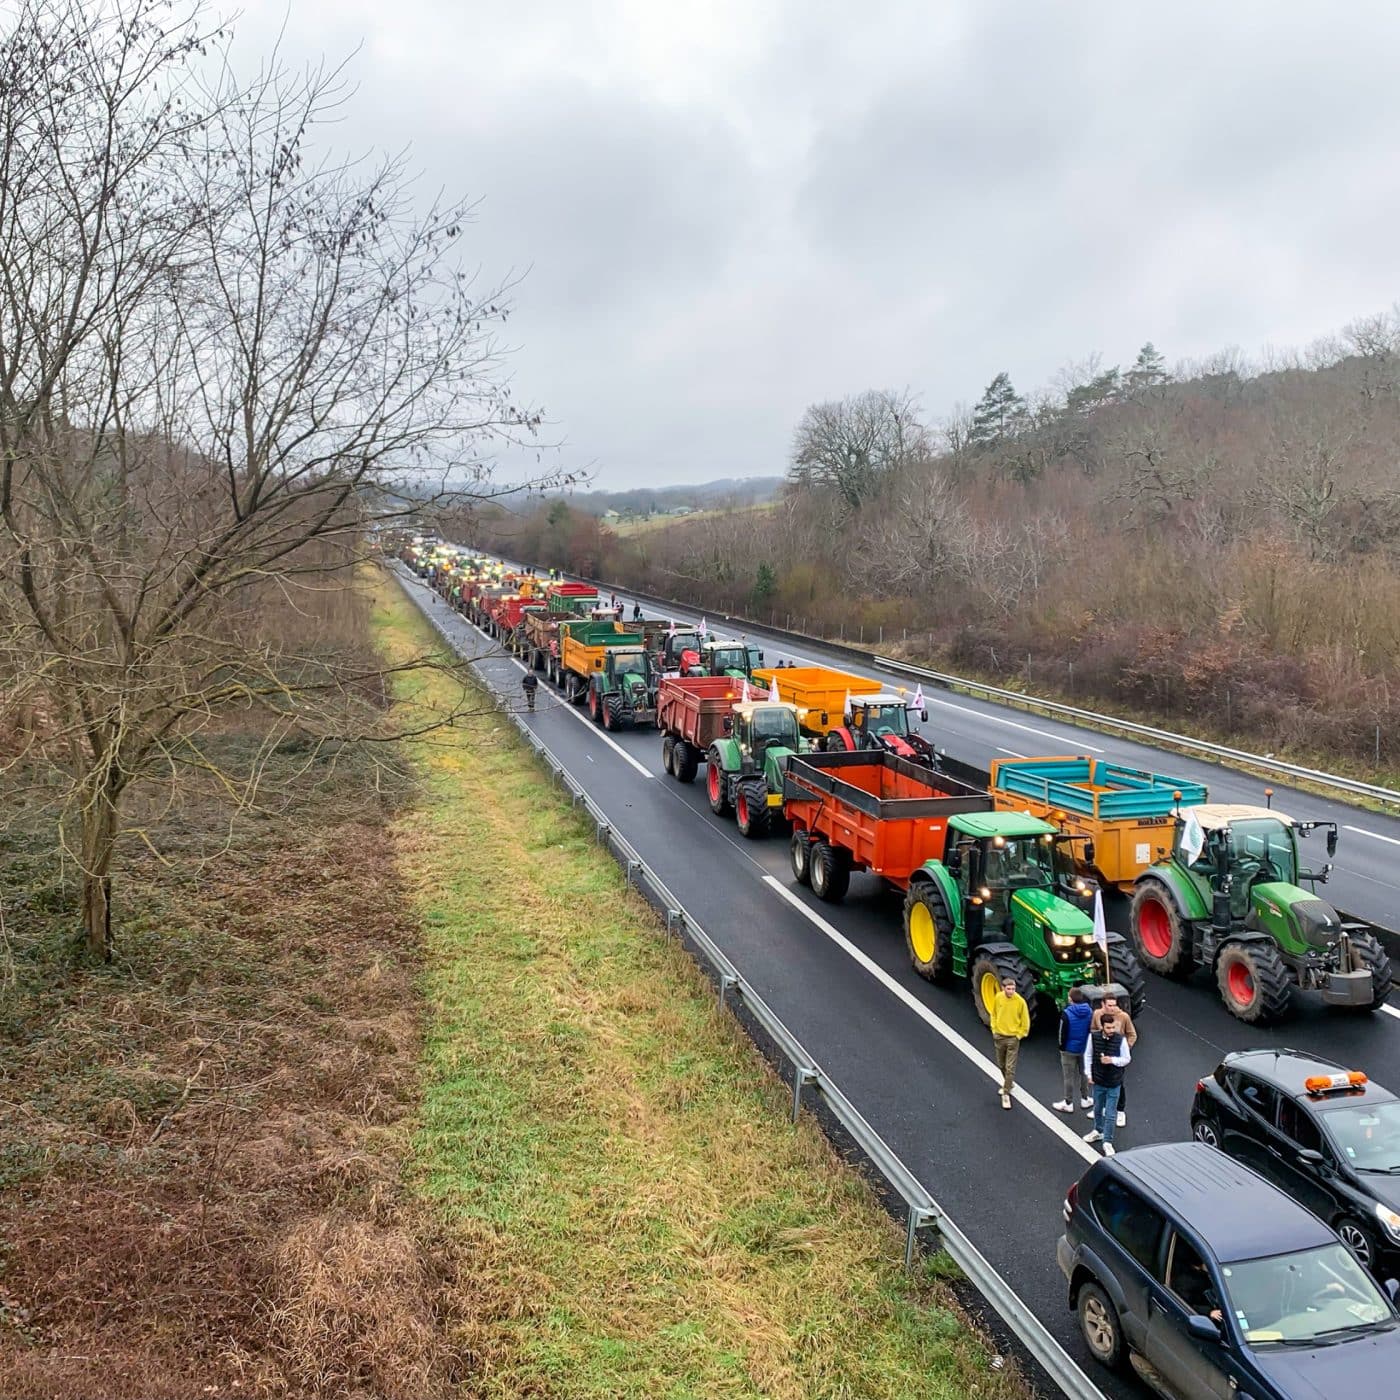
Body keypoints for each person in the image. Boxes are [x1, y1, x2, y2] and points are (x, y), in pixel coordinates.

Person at [1083, 1013, 1131, 1155]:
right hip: (1099, 1080)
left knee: (1110, 1113)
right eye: (1108, 1027)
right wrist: (1089, 1074)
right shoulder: (1093, 1037)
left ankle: (1107, 1141)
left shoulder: (1120, 1040)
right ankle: (1098, 1130)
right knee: (1098, 1109)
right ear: (1102, 1027)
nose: (1111, 1030)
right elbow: (1088, 1055)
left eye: (1113, 1027)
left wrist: (1112, 1060)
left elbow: (1126, 1059)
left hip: (1114, 1081)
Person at [1090, 993, 1137, 1128]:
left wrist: (1125, 1048)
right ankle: (1101, 1107)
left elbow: (1132, 1034)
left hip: (1117, 1057)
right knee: (1100, 1081)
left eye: (1114, 1005)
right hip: (1101, 1055)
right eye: (1109, 1005)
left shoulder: (1123, 1017)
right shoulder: (1097, 1014)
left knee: (1118, 1083)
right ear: (1103, 1004)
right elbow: (1093, 1030)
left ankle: (1120, 1111)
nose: (1112, 1008)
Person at [990, 975, 1030, 1110]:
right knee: (1001, 1064)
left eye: (1013, 989)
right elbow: (994, 1013)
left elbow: (1025, 1022)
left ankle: (1006, 1093)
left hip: (1013, 1038)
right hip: (999, 1036)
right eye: (1009, 989)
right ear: (1003, 988)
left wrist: (1019, 1036)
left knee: (1010, 1067)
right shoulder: (998, 997)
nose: (1011, 991)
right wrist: (994, 1029)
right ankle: (1009, 1083)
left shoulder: (1020, 1002)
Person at [1053, 986, 1093, 1113]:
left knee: (1068, 1077)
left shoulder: (1067, 1013)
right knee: (1084, 1074)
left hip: (1069, 1050)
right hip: (1084, 1049)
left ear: (1070, 999)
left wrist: (1061, 1047)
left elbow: (1062, 1033)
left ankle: (1068, 1102)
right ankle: (1085, 1098)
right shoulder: (1089, 1011)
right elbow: (1090, 1029)